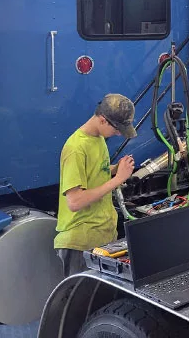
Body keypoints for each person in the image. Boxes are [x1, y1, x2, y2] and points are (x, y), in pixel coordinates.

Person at [55, 94, 138, 277]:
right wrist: (118, 179)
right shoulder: (75, 148)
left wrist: (116, 169)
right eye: (117, 129)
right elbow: (74, 201)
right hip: (81, 243)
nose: (118, 133)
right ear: (102, 120)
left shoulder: (98, 139)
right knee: (81, 303)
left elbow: (92, 172)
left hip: (101, 237)